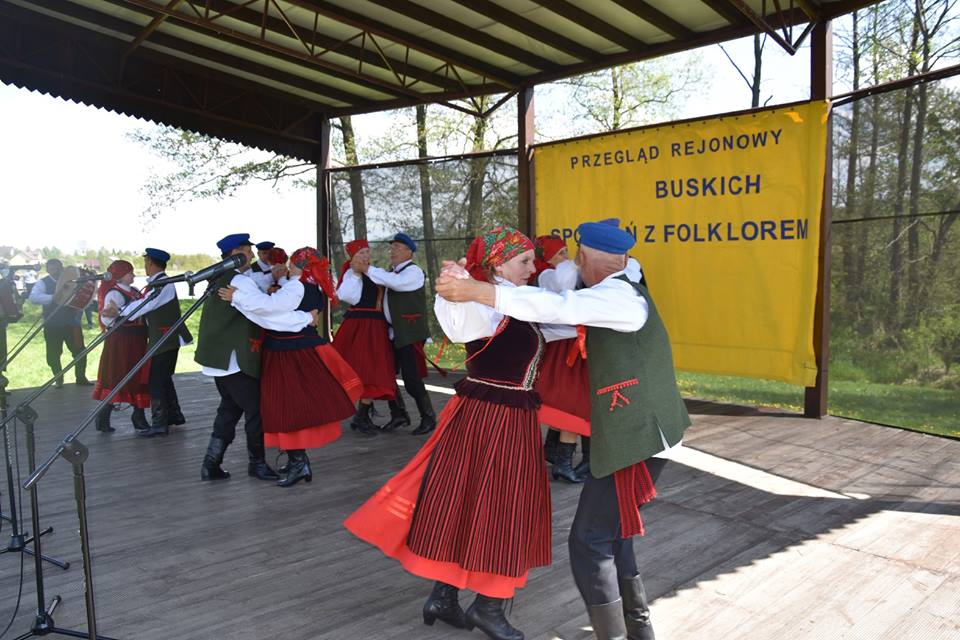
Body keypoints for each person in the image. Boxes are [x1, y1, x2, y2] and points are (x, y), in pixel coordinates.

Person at [435, 220, 690, 640]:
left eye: (576, 260)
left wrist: (477, 289)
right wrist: (465, 288)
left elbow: (561, 308)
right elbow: (551, 317)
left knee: (589, 542)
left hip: (638, 436)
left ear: (587, 258)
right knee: (614, 534)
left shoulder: (619, 297)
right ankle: (638, 631)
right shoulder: (619, 287)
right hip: (637, 435)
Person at [346, 226, 550, 640]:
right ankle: (488, 608)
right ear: (499, 264)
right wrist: (454, 287)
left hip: (499, 415)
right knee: (499, 506)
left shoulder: (510, 301)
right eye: (524, 261)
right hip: (494, 417)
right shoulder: (481, 304)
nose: (533, 268)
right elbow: (457, 327)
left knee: (469, 501)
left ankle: (444, 596)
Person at [220, 247, 359, 487]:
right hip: (298, 348)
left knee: (287, 406)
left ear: (299, 265)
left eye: (293, 261)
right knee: (293, 406)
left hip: (287, 352)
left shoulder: (297, 285)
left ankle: (299, 462)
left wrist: (238, 298)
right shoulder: (313, 284)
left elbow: (270, 311)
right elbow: (274, 312)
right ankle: (298, 460)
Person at [194, 234, 278, 482]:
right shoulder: (241, 280)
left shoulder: (219, 278)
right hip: (235, 359)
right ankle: (257, 463)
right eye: (247, 251)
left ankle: (211, 464)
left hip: (220, 359)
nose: (252, 255)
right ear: (236, 255)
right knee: (256, 411)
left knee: (229, 411)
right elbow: (263, 307)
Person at [354, 232, 436, 436]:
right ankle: (399, 414)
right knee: (387, 375)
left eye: (398, 248)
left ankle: (429, 418)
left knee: (411, 378)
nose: (393, 251)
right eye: (392, 248)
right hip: (393, 332)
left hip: (410, 332)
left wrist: (367, 268)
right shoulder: (392, 272)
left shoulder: (413, 272)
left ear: (410, 252)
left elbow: (396, 283)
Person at [530, 234, 588, 483]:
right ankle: (563, 463)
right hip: (564, 347)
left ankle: (553, 451)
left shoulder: (547, 274)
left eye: (567, 252)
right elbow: (565, 286)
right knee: (572, 404)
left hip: (566, 344)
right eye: (561, 253)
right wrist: (576, 263)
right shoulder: (548, 275)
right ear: (549, 257)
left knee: (564, 402)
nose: (566, 257)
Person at [120, 248, 193, 437]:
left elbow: (147, 304)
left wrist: (121, 312)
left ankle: (160, 423)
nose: (145, 266)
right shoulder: (159, 283)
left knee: (156, 382)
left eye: (146, 262)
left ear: (150, 263)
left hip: (165, 339)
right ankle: (174, 416)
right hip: (162, 339)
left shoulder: (163, 284)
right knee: (163, 379)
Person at [334, 239, 397, 436]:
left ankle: (362, 416)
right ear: (352, 256)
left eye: (367, 252)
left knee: (373, 371)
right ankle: (361, 416)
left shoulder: (373, 271)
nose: (366, 256)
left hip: (375, 325)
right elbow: (348, 297)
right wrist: (354, 273)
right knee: (364, 369)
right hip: (360, 326)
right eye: (361, 253)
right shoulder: (351, 274)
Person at [93, 260, 150, 433]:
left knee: (137, 376)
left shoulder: (133, 291)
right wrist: (110, 314)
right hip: (122, 341)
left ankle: (138, 415)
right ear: (119, 275)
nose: (132, 275)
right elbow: (107, 319)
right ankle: (104, 415)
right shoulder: (114, 294)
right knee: (117, 375)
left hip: (137, 341)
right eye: (129, 272)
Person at [27, 259, 93, 387]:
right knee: (53, 354)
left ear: (62, 268)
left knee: (80, 351)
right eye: (53, 269)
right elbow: (33, 297)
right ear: (47, 270)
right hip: (52, 324)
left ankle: (81, 378)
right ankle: (58, 378)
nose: (56, 271)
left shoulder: (73, 280)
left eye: (58, 268)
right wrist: (52, 297)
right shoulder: (43, 283)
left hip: (72, 323)